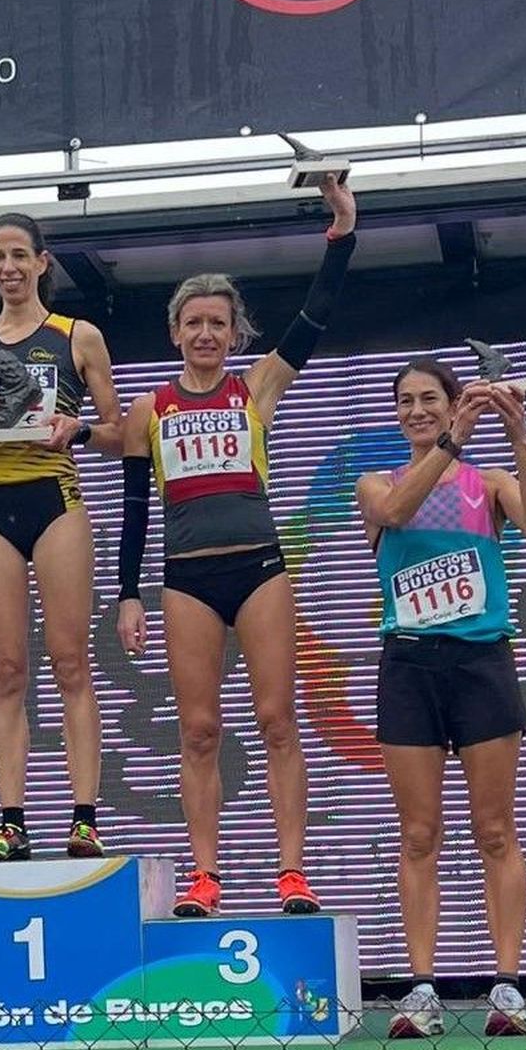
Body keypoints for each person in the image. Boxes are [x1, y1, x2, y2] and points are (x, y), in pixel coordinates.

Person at [117, 177, 357, 917]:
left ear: (234, 332)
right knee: (198, 730)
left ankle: (292, 875)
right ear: (175, 331)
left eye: (218, 322)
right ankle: (205, 877)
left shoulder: (255, 389)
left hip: (258, 569)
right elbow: (132, 509)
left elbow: (313, 320)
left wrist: (341, 232)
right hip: (186, 577)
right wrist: (128, 593)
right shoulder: (148, 409)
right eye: (194, 322)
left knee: (277, 719)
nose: (206, 334)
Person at [354, 357, 526, 1038]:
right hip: (409, 663)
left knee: (495, 829)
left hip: (481, 662)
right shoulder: (377, 481)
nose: (417, 409)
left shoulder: (488, 482)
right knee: (418, 833)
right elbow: (394, 512)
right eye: (406, 401)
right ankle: (422, 988)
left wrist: (519, 437)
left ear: (450, 401)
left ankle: (507, 986)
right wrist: (454, 441)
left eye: (430, 399)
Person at [0, 213, 123, 861]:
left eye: (20, 255)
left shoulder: (78, 337)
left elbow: (119, 433)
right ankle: (11, 821)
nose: (9, 267)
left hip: (55, 496)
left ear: (43, 262)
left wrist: (74, 430)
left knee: (71, 660)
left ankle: (84, 817)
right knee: (6, 668)